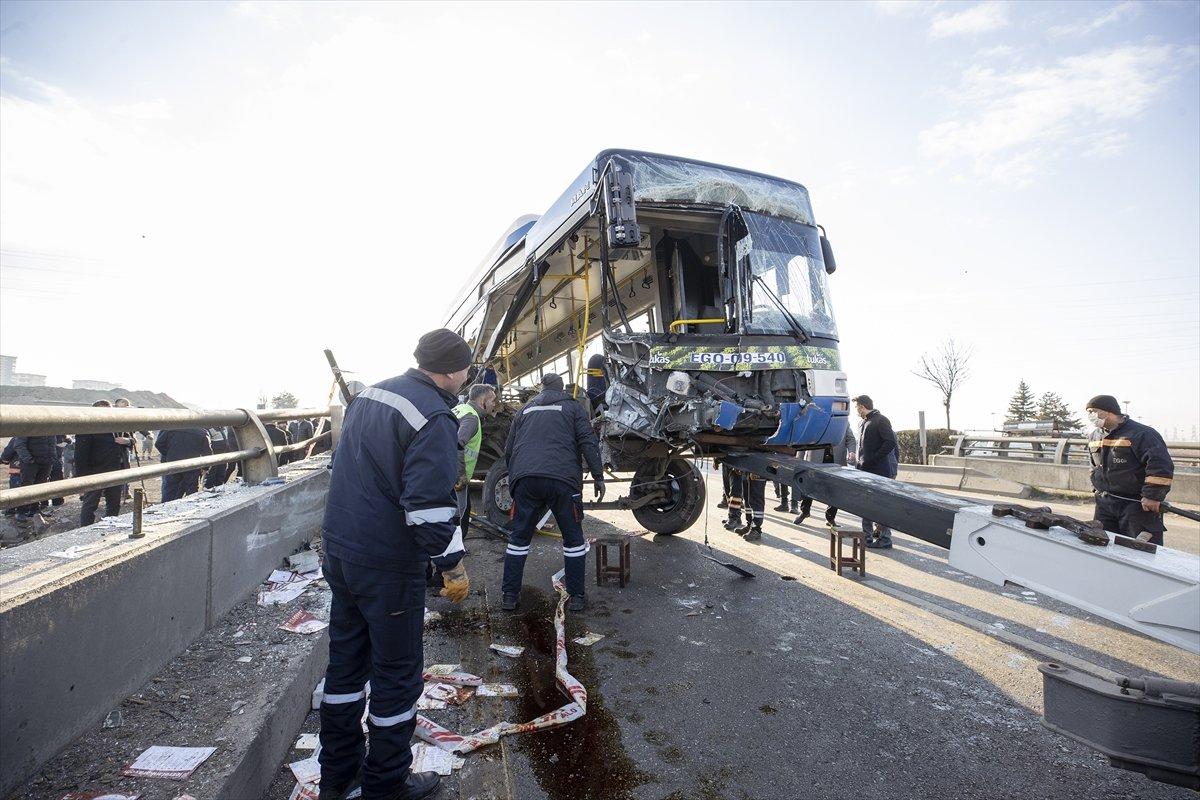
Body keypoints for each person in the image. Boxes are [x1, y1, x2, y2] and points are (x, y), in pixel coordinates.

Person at [318, 328, 471, 800]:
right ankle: (385, 785)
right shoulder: (435, 416)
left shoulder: (371, 395)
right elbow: (428, 509)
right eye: (466, 368)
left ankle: (337, 778)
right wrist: (452, 565)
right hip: (386, 564)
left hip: (341, 553)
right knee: (396, 677)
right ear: (452, 371)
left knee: (345, 669)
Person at [501, 372, 604, 613]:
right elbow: (587, 442)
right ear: (562, 389)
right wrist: (598, 476)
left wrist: (517, 477)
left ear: (541, 388)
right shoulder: (573, 408)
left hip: (526, 480)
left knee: (518, 539)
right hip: (562, 481)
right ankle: (576, 597)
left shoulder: (524, 411)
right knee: (573, 540)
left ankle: (509, 596)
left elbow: (509, 450)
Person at [1085, 394, 1174, 545]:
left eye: (1093, 411)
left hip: (1136, 505)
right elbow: (1094, 466)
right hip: (1105, 504)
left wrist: (1152, 495)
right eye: (1089, 412)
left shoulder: (1142, 434)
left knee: (1140, 550)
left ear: (1108, 411)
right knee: (1102, 546)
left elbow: (1160, 465)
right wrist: (1096, 487)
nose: (1090, 416)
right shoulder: (1094, 436)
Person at [852, 395, 898, 549]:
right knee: (865, 506)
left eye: (857, 407)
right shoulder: (862, 423)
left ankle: (885, 539)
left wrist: (873, 459)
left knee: (881, 506)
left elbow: (890, 443)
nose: (856, 411)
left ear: (862, 406)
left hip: (879, 472)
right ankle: (866, 537)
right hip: (864, 472)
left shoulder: (881, 420)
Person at [453, 384, 498, 536]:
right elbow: (457, 444)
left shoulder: (459, 409)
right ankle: (456, 547)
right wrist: (460, 476)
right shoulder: (471, 418)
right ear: (482, 401)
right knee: (459, 515)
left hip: (443, 470)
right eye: (492, 400)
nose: (494, 404)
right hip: (454, 477)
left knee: (463, 509)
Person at [75, 400, 127, 526]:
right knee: (91, 503)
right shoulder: (87, 428)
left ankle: (109, 526)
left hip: (115, 470)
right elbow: (80, 455)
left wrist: (128, 440)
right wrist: (82, 479)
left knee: (114, 502)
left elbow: (129, 438)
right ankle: (85, 530)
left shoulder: (116, 425)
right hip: (95, 471)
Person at [795, 425, 857, 526]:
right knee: (808, 486)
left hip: (835, 462)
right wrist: (799, 459)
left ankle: (830, 517)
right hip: (815, 460)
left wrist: (852, 451)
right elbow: (804, 439)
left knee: (834, 491)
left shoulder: (843, 421)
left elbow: (850, 439)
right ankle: (805, 512)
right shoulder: (815, 419)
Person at [156, 427, 213, 501]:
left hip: (172, 464)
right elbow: (207, 452)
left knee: (170, 491)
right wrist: (205, 468)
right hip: (192, 465)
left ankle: (167, 506)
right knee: (191, 492)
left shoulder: (169, 428)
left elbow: (159, 444)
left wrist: (169, 454)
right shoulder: (201, 431)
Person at [11, 435, 56, 522]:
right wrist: (29, 459)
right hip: (31, 463)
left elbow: (52, 442)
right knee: (26, 486)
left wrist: (52, 457)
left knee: (40, 487)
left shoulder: (50, 428)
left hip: (46, 462)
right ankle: (21, 512)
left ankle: (35, 510)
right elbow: (19, 445)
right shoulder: (27, 427)